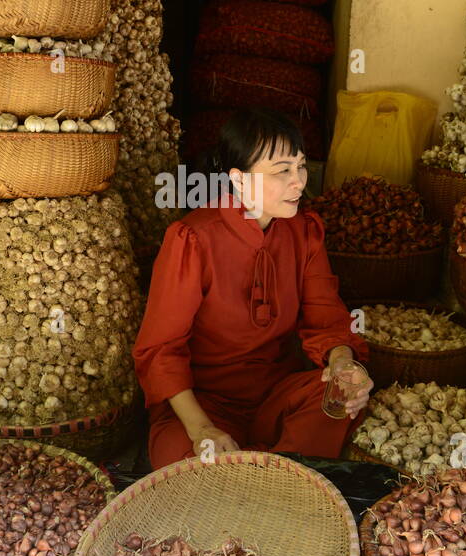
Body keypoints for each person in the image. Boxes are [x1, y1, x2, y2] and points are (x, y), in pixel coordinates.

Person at [134, 107, 373, 470]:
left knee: (341, 403)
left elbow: (326, 319)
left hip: (276, 396)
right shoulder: (192, 239)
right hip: (204, 403)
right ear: (239, 179)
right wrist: (201, 430)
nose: (299, 181)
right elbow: (160, 351)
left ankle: (266, 477)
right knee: (180, 458)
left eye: (301, 167)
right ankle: (280, 473)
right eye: (282, 171)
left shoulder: (304, 231)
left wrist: (342, 364)